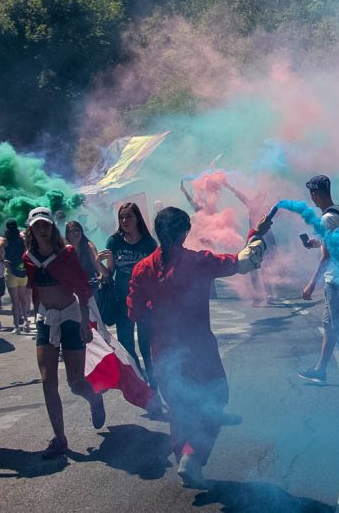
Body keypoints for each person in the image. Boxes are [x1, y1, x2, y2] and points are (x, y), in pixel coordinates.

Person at [128, 206, 268, 488]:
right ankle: (192, 457)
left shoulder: (142, 269)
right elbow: (239, 262)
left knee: (179, 407)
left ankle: (185, 455)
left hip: (163, 350)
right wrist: (256, 235)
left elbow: (134, 312)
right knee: (215, 400)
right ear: (185, 232)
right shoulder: (198, 261)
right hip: (198, 348)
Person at [23, 207, 106, 458]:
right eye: (36, 225)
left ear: (52, 227)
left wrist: (83, 321)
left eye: (45, 225)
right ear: (30, 229)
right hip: (46, 319)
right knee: (48, 381)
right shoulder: (28, 257)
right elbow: (34, 289)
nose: (41, 229)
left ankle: (94, 399)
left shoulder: (67, 254)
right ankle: (60, 439)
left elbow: (81, 287)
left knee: (75, 381)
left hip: (70, 316)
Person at [297, 175, 339, 384]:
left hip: (337, 281)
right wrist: (316, 242)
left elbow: (327, 257)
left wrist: (311, 285)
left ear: (315, 194)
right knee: (331, 326)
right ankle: (321, 369)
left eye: (312, 194)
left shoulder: (326, 219)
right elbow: (337, 243)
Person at [97, 202, 161, 411]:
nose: (124, 221)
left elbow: (155, 274)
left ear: (137, 219)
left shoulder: (149, 244)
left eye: (128, 217)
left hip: (145, 304)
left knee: (146, 347)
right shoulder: (114, 242)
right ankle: (145, 389)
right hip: (122, 303)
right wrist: (99, 264)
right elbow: (108, 273)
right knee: (127, 348)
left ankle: (155, 387)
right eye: (122, 217)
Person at [224, 181, 277, 305]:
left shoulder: (265, 210)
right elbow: (239, 195)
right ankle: (260, 295)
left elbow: (269, 231)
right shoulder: (254, 206)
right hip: (255, 240)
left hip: (259, 240)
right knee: (255, 267)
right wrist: (229, 186)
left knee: (261, 267)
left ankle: (266, 294)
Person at [0, 219, 31, 334]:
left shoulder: (5, 239)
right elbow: (28, 249)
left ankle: (17, 326)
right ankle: (26, 322)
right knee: (22, 299)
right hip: (22, 271)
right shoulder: (21, 237)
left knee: (14, 301)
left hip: (11, 271)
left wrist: (3, 259)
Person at [65, 221, 104, 295]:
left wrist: (101, 275)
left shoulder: (88, 246)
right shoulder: (64, 249)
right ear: (67, 235)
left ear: (82, 232)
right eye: (71, 231)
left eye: (77, 230)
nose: (75, 233)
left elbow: (97, 263)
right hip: (73, 287)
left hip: (90, 285)